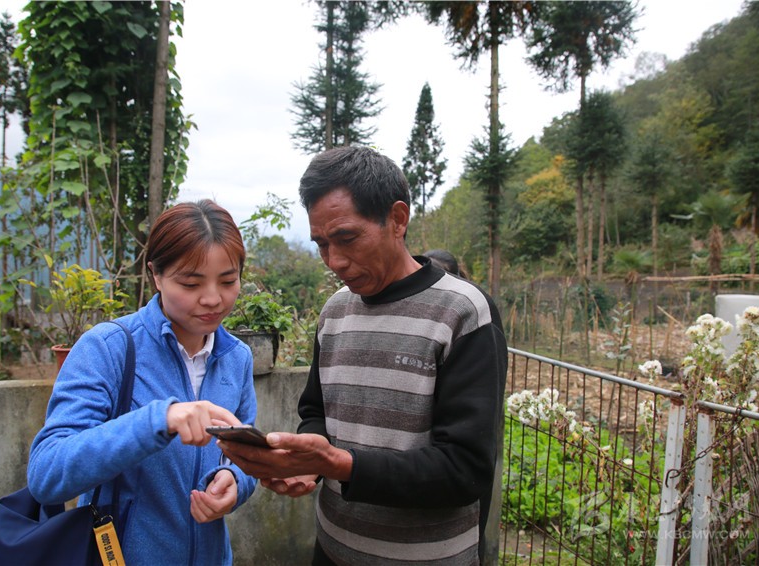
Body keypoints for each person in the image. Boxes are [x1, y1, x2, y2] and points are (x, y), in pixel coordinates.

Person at [219, 146, 508, 565]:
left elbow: (465, 470)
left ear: (397, 219)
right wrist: (310, 461)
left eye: (347, 238)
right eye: (321, 244)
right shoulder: (335, 311)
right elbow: (316, 411)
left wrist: (342, 465)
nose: (334, 261)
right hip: (332, 550)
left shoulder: (464, 312)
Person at [27, 199, 258, 565]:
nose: (213, 298)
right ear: (156, 275)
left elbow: (246, 455)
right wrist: (158, 420)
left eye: (228, 281)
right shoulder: (108, 348)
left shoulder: (236, 358)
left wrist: (235, 481)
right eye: (191, 282)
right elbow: (47, 473)